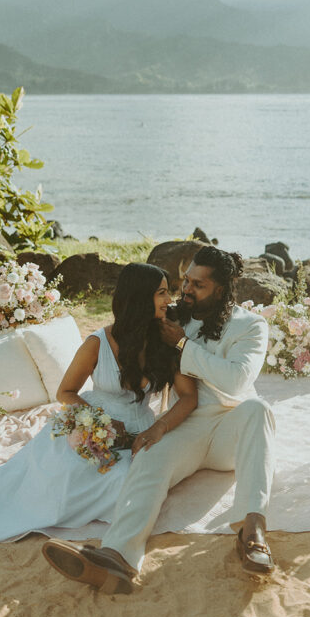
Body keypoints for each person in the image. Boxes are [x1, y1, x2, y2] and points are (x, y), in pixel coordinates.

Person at [42, 246, 276, 594]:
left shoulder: (250, 326)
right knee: (148, 454)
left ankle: (252, 530)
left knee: (259, 408)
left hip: (232, 427)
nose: (187, 291)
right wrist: (156, 425)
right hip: (188, 422)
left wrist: (184, 345)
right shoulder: (173, 316)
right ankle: (117, 558)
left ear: (221, 289)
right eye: (187, 281)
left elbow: (237, 382)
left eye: (199, 285)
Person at [0, 264, 198, 545]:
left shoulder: (166, 339)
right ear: (139, 297)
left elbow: (188, 395)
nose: (168, 300)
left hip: (142, 431)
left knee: (131, 483)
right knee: (61, 481)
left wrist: (159, 428)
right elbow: (65, 392)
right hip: (92, 424)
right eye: (161, 293)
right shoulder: (97, 343)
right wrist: (97, 423)